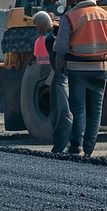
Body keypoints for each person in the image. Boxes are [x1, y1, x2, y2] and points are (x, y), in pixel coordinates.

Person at [54, 0, 107, 157]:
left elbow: (62, 47)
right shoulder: (106, 15)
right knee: (95, 111)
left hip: (78, 69)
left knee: (79, 109)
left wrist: (59, 65)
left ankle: (76, 147)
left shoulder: (71, 16)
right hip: (101, 68)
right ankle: (89, 149)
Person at [33, 10, 71, 154]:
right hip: (60, 75)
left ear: (42, 25)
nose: (36, 30)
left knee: (61, 111)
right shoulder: (54, 34)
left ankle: (61, 145)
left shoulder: (49, 39)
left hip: (60, 76)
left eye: (37, 26)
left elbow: (54, 61)